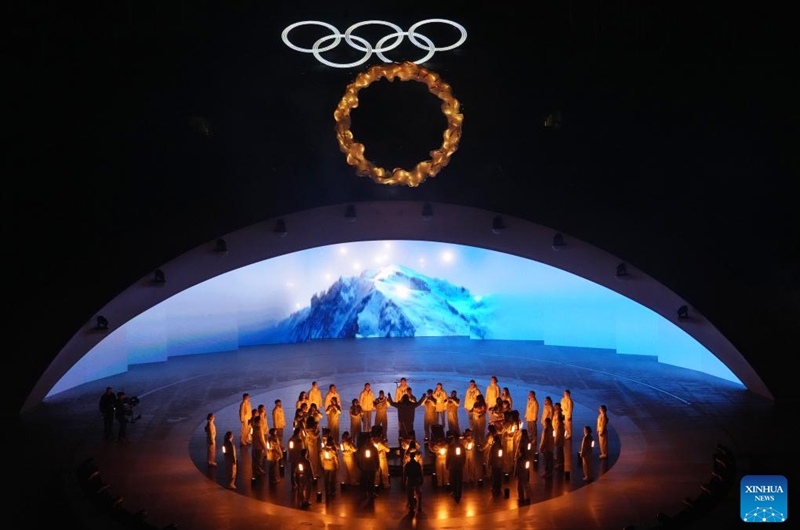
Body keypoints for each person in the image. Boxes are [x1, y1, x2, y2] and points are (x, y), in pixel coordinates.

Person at [447, 433, 466, 501]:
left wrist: (447, 464)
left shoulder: (451, 446)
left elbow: (448, 456)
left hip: (453, 466)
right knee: (459, 480)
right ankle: (459, 492)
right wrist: (463, 463)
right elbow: (464, 456)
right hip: (459, 465)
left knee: (453, 480)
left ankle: (455, 492)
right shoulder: (461, 446)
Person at [404, 447, 424, 512]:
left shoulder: (407, 465)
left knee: (410, 494)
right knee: (418, 493)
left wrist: (404, 481)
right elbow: (420, 472)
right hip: (416, 480)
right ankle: (419, 506)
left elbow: (405, 474)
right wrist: (421, 479)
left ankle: (412, 506)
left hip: (410, 480)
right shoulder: (417, 464)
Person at [515, 429, 532, 504]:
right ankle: (527, 497)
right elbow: (529, 449)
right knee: (526, 483)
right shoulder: (528, 440)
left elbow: (517, 466)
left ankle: (521, 497)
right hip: (525, 470)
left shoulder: (521, 440)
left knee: (520, 485)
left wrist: (515, 473)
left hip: (520, 472)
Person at [251, 407, 267, 477]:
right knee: (259, 458)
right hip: (259, 446)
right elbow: (261, 438)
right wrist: (264, 446)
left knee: (256, 458)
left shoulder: (254, 427)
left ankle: (256, 468)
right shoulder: (259, 428)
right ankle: (259, 469)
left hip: (255, 444)